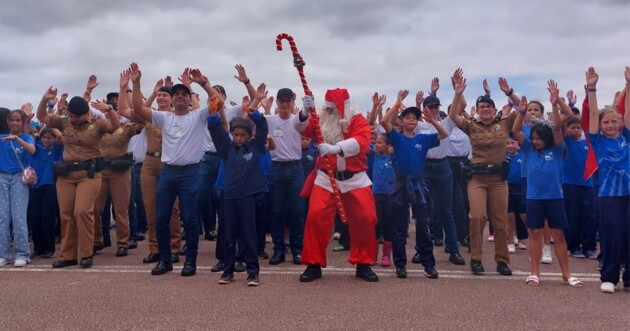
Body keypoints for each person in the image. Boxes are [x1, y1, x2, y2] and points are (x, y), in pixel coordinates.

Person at [131, 62, 219, 277]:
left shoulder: (197, 116)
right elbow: (138, 108)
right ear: (172, 99)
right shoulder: (165, 117)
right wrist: (136, 83)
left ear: (190, 98)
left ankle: (190, 262)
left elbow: (218, 102)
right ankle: (165, 260)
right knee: (161, 218)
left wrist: (204, 83)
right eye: (176, 94)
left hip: (191, 173)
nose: (180, 97)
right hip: (168, 172)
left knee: (189, 219)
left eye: (184, 94)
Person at [298, 88, 379, 282]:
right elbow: (304, 129)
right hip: (326, 178)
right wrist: (305, 113)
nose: (329, 112)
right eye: (328, 109)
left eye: (333, 110)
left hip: (354, 179)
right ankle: (313, 264)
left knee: (366, 218)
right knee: (315, 216)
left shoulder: (357, 120)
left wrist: (337, 148)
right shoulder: (322, 118)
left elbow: (363, 141)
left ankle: (363, 263)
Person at [37, 87, 120, 269]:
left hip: (89, 174)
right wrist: (45, 100)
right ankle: (68, 255)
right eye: (72, 116)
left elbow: (114, 127)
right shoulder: (65, 122)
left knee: (82, 211)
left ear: (87, 113)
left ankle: (86, 253)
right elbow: (42, 118)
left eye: (79, 117)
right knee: (66, 214)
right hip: (67, 174)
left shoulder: (97, 123)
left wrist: (109, 110)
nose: (75, 120)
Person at [448, 69, 518, 276]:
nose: (485, 109)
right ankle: (476, 259)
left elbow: (521, 108)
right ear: (477, 110)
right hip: (477, 178)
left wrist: (509, 92)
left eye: (488, 106)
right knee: (477, 217)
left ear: (494, 108)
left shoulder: (504, 123)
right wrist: (457, 93)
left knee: (499, 220)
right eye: (481, 107)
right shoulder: (471, 126)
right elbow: (453, 115)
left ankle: (502, 261)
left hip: (498, 179)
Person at [513, 86, 582, 288]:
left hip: (555, 197)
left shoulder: (558, 148)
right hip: (534, 198)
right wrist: (521, 112)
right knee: (534, 233)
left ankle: (566, 273)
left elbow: (558, 126)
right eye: (533, 138)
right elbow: (517, 130)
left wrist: (554, 103)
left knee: (558, 235)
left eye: (539, 139)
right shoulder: (528, 148)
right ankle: (534, 272)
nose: (536, 142)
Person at [381, 90, 448, 279]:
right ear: (401, 122)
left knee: (423, 225)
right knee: (400, 226)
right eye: (407, 117)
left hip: (419, 182)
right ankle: (400, 264)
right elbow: (384, 122)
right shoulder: (397, 137)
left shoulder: (422, 139)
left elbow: (444, 134)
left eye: (414, 118)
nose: (411, 120)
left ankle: (428, 264)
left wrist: (431, 120)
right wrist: (397, 102)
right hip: (401, 182)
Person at [208, 85, 268, 286]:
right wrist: (214, 114)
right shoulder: (226, 149)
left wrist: (256, 114)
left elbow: (263, 129)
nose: (239, 138)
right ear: (232, 135)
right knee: (228, 235)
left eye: (243, 135)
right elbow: (216, 132)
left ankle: (253, 273)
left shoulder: (255, 147)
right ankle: (228, 271)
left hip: (248, 197)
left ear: (249, 135)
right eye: (236, 135)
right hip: (229, 196)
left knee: (249, 235)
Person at [585, 66, 630, 293]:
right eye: (607, 122)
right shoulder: (598, 141)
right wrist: (592, 88)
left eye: (614, 121)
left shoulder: (627, 138)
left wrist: (629, 85)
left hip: (628, 194)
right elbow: (593, 114)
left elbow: (628, 111)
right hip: (609, 196)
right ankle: (610, 276)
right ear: (601, 126)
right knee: (612, 236)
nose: (611, 125)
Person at [91, 69, 139, 258]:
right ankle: (96, 240)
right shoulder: (98, 126)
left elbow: (142, 122)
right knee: (95, 208)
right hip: (102, 170)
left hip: (120, 171)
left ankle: (123, 243)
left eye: (113, 107)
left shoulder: (126, 127)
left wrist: (125, 88)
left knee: (121, 209)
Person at [267, 88, 306, 266]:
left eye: (287, 100)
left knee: (297, 211)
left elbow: (304, 118)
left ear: (292, 101)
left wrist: (307, 107)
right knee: (276, 211)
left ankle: (297, 250)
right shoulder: (270, 120)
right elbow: (249, 118)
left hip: (295, 168)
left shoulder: (296, 120)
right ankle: (278, 250)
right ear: (277, 102)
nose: (284, 104)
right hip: (276, 168)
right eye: (281, 101)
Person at [0, 110, 36, 267]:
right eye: (11, 120)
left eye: (17, 120)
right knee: (2, 218)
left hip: (18, 179)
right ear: (7, 122)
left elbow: (32, 149)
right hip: (2, 177)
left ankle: (22, 253)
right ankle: (3, 254)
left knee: (18, 216)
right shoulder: (1, 138)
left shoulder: (27, 137)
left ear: (22, 122)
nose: (14, 123)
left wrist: (16, 139)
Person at [562, 116, 597, 259]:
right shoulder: (566, 142)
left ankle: (589, 247)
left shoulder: (587, 143)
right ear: (568, 129)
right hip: (570, 184)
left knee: (589, 216)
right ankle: (574, 246)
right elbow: (561, 125)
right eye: (572, 128)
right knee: (573, 216)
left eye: (578, 128)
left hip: (588, 184)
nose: (576, 130)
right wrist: (566, 105)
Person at [27, 127, 63, 259]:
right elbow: (28, 135)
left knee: (47, 217)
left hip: (50, 185)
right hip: (34, 186)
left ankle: (49, 248)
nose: (46, 140)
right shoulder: (36, 148)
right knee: (34, 217)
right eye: (44, 137)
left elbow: (60, 137)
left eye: (49, 137)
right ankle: (38, 248)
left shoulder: (57, 149)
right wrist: (27, 121)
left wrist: (52, 124)